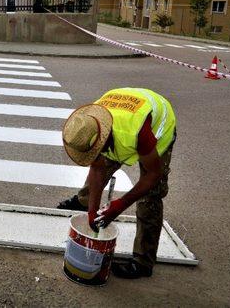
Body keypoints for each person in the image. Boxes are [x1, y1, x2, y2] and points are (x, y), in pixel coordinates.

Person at [58, 88, 176, 279]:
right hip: (121, 125)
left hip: (157, 129)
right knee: (102, 165)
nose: (94, 155)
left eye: (96, 150)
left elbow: (153, 174)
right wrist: (91, 211)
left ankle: (143, 263)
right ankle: (84, 201)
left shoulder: (136, 131)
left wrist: (119, 205)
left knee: (150, 197)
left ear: (104, 138)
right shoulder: (90, 124)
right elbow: (97, 169)